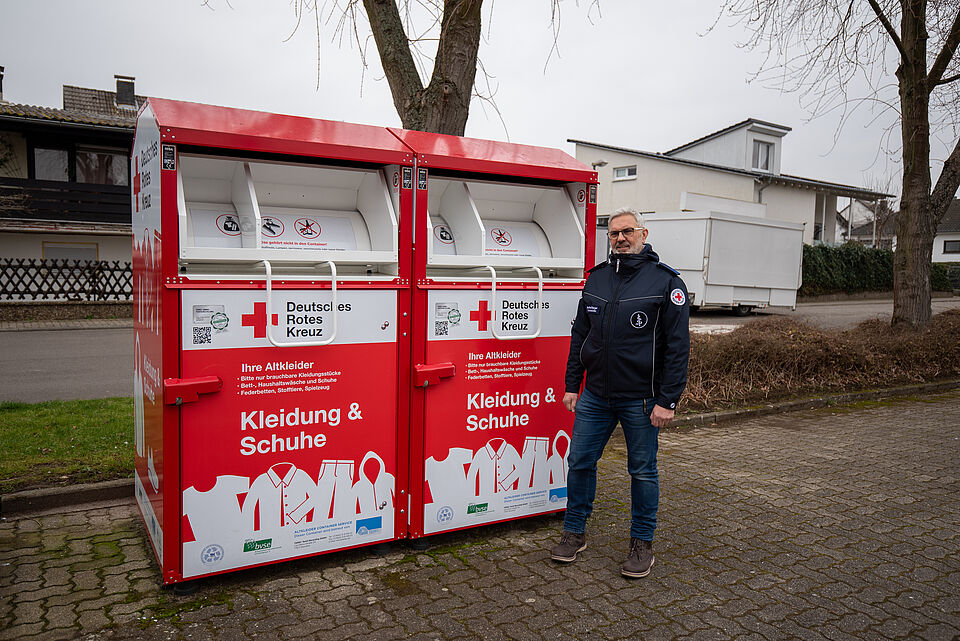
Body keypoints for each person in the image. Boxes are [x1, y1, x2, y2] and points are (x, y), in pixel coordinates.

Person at [551, 207, 689, 578]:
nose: (620, 239)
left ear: (644, 234)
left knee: (642, 471)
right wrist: (571, 384)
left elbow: (678, 348)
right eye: (614, 234)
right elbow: (581, 334)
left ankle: (642, 544)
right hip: (596, 394)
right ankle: (574, 533)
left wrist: (667, 400)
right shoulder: (596, 279)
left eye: (627, 231)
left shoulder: (667, 284)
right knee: (579, 461)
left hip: (641, 399)